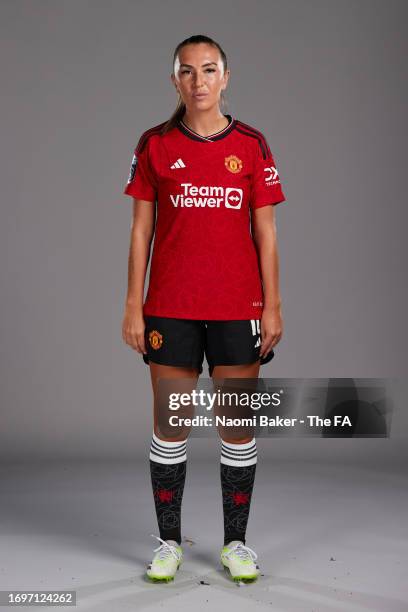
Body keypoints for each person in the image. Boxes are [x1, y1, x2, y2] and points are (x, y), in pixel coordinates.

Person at [122, 34, 286, 583]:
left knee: (237, 428)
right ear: (175, 81)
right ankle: (168, 542)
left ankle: (236, 544)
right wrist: (132, 305)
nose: (199, 81)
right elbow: (141, 229)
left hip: (240, 306)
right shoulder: (155, 144)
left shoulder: (254, 145)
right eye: (187, 72)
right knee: (172, 425)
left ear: (226, 77)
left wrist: (274, 306)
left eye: (209, 70)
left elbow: (266, 233)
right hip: (170, 306)